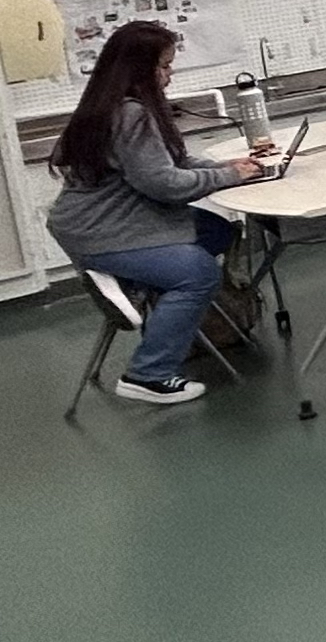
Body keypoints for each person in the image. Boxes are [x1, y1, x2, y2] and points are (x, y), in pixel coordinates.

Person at [45, 20, 268, 406]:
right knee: (199, 272)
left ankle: (148, 292)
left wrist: (229, 166)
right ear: (137, 69)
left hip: (112, 221)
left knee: (217, 231)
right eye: (163, 66)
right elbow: (163, 184)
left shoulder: (110, 104)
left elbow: (172, 161)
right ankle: (147, 374)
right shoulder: (130, 114)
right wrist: (227, 177)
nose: (170, 73)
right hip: (101, 232)